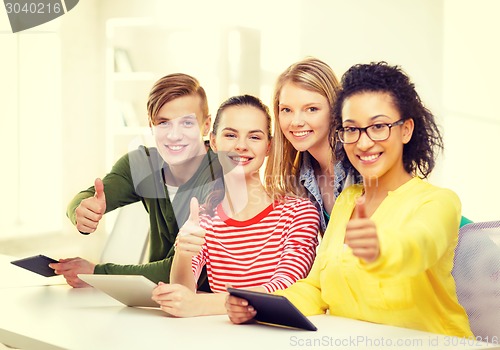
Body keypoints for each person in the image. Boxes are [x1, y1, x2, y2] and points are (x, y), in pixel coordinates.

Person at [226, 62, 473, 338]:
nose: (364, 142)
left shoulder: (440, 202)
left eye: (378, 126)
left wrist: (381, 250)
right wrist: (257, 305)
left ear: (406, 130)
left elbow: (419, 249)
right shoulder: (346, 201)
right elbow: (316, 288)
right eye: (352, 129)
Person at [151, 95, 320, 317]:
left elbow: (286, 287)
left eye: (254, 137)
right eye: (230, 135)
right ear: (213, 142)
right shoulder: (203, 219)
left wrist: (203, 304)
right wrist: (183, 253)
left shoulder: (299, 212)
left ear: (268, 146)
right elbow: (183, 294)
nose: (241, 146)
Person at [50, 73, 222, 290]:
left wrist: (97, 274)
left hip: (209, 310)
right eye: (163, 123)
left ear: (206, 126)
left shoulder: (222, 176)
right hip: (158, 304)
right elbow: (85, 197)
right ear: (151, 126)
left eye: (187, 123)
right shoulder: (142, 164)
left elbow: (178, 272)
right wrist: (81, 211)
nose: (174, 135)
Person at [265, 57, 360, 235]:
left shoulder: (360, 162)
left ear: (334, 109)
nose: (296, 122)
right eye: (286, 110)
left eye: (311, 109)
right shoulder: (298, 177)